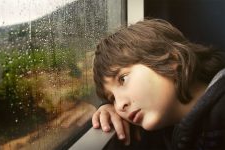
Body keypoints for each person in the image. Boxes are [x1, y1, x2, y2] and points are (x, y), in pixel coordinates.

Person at [92, 19, 225, 150]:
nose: (120, 106)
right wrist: (107, 108)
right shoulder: (166, 125)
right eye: (113, 98)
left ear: (171, 58)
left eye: (123, 79)